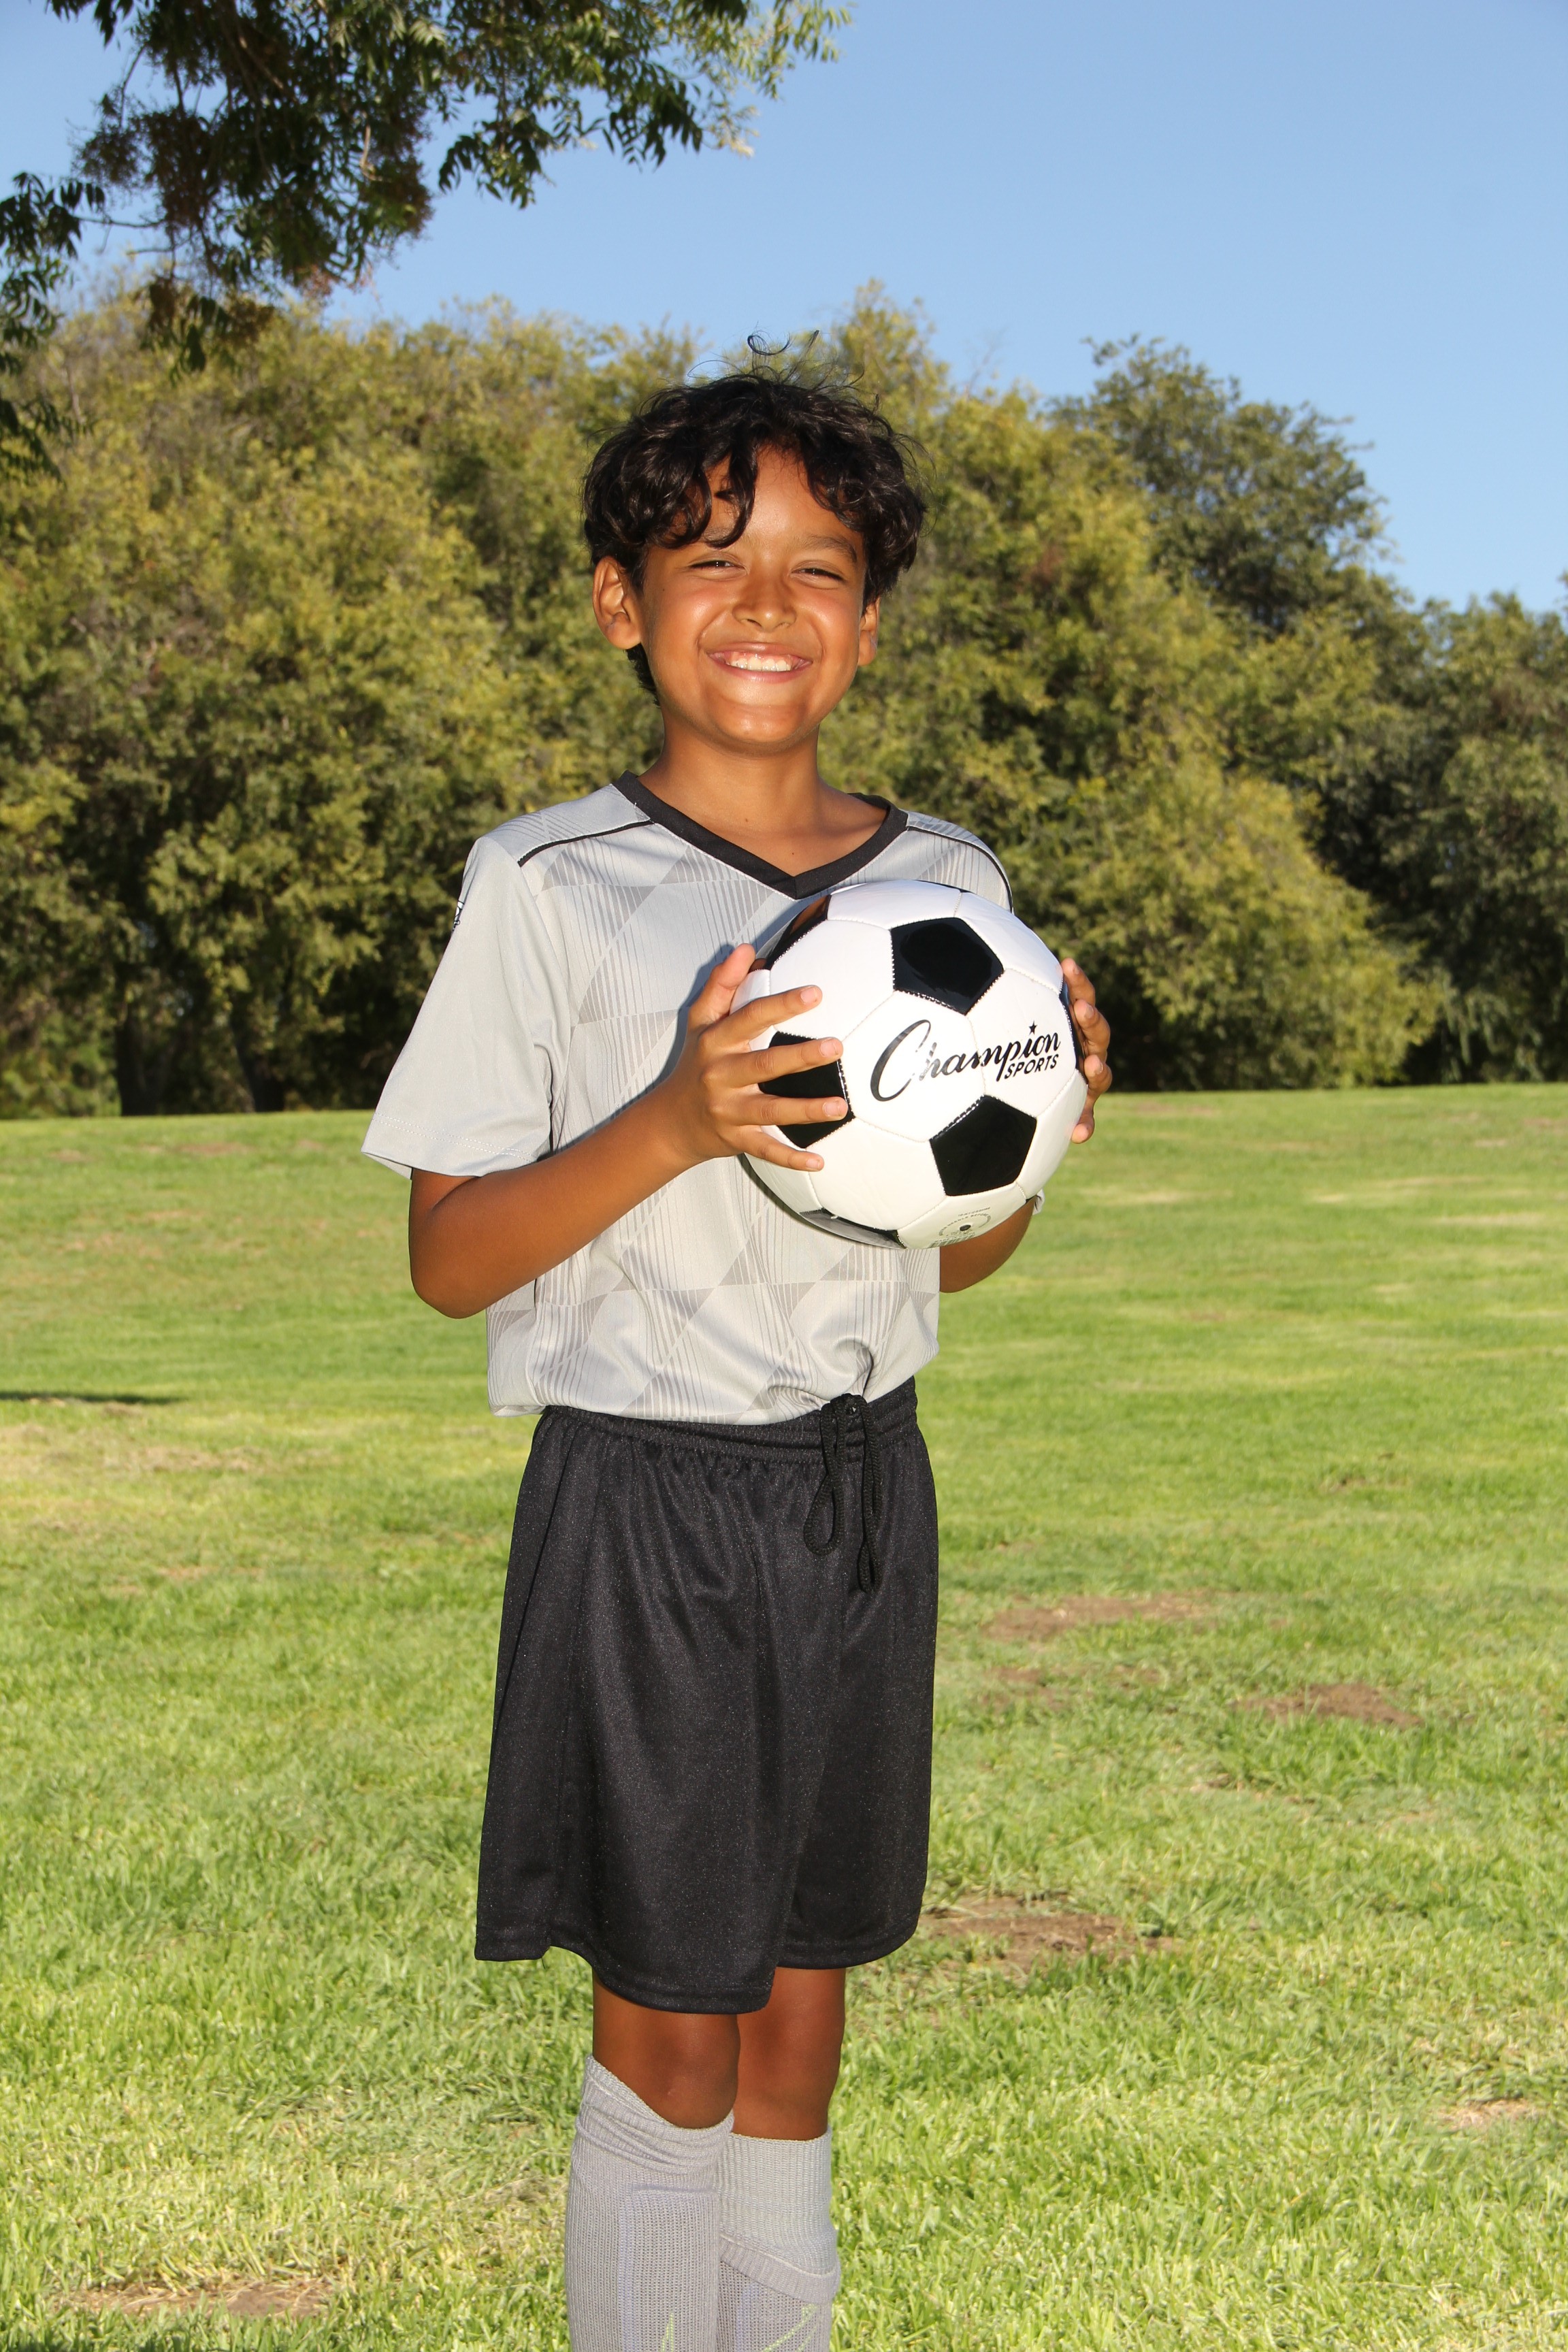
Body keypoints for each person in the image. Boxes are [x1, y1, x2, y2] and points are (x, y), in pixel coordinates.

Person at [362, 369, 1112, 2352]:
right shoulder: (546, 884)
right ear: (623, 602)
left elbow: (958, 1256)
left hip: (864, 1488)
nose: (766, 605)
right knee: (676, 2040)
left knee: (796, 2025)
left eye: (818, 569)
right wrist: (676, 1122)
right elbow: (448, 1258)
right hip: (653, 1500)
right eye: (714, 561)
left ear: (869, 621)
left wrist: (1034, 1130)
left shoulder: (952, 887)